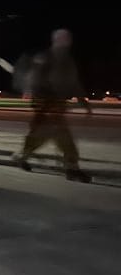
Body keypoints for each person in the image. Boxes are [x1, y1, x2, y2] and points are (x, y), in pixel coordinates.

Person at [11, 29, 92, 183]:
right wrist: (40, 100)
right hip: (46, 106)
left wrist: (85, 104)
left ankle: (22, 157)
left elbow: (74, 84)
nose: (66, 41)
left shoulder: (68, 61)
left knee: (40, 137)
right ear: (55, 40)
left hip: (57, 106)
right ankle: (72, 169)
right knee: (60, 136)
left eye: (67, 38)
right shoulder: (45, 58)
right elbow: (35, 79)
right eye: (62, 38)